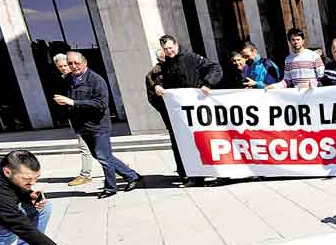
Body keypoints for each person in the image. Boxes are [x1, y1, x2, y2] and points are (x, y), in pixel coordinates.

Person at [52, 51, 142, 199]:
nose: (73, 66)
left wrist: (73, 103)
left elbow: (101, 104)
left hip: (98, 125)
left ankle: (110, 188)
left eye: (76, 63)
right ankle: (132, 175)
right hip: (82, 125)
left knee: (103, 157)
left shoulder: (96, 80)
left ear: (84, 62)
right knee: (100, 155)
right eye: (70, 64)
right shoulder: (68, 79)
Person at [152, 34, 222, 184]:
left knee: (204, 140)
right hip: (181, 114)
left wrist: (208, 83)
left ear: (177, 45)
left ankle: (215, 172)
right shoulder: (166, 65)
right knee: (186, 144)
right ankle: (194, 175)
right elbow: (160, 81)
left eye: (171, 48)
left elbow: (215, 68)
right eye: (166, 49)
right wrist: (157, 86)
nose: (169, 51)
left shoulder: (191, 58)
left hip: (198, 109)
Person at [53, 53, 95, 186]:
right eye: (60, 66)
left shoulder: (81, 78)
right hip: (74, 118)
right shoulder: (63, 79)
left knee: (87, 147)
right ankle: (116, 167)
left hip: (87, 118)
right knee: (94, 147)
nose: (64, 68)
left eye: (66, 65)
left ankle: (85, 175)